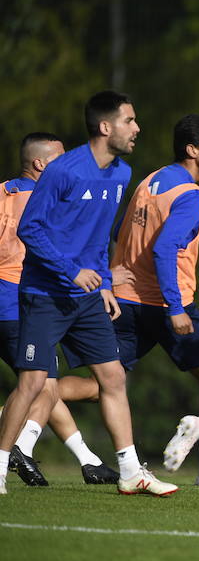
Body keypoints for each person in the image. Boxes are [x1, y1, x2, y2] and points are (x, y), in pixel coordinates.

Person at [0, 90, 176, 496]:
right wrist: (70, 270)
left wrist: (106, 285)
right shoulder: (63, 170)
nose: (137, 129)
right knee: (32, 382)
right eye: (129, 121)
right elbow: (30, 229)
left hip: (86, 297)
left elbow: (98, 238)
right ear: (105, 126)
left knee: (113, 377)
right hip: (45, 294)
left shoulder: (121, 173)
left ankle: (131, 472)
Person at [59, 114, 199, 486]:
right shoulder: (190, 195)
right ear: (192, 150)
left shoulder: (150, 180)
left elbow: (119, 230)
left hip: (124, 298)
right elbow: (165, 249)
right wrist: (174, 308)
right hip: (165, 302)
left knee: (105, 383)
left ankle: (28, 401)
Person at [0, 133, 120, 487]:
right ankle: (15, 445)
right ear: (40, 164)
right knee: (41, 384)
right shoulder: (50, 200)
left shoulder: (3, 191)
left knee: (44, 384)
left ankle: (88, 460)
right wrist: (104, 281)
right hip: (20, 302)